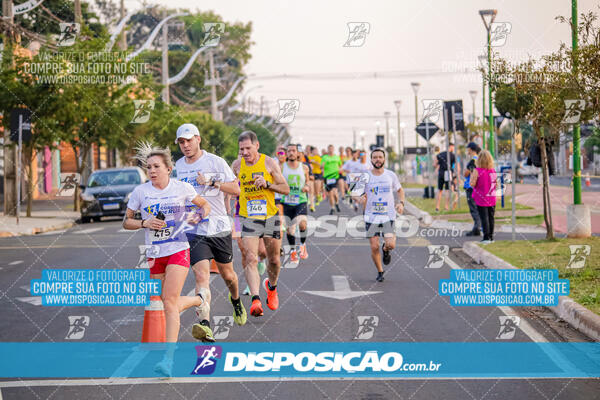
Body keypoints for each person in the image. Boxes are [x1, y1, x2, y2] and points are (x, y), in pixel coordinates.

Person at [123, 143, 210, 375]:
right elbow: (126, 221)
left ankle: (168, 360)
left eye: (156, 166)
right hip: (154, 254)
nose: (152, 170)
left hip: (178, 248)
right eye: (148, 167)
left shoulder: (181, 188)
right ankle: (199, 300)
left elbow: (205, 206)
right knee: (164, 302)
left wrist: (197, 216)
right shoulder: (141, 192)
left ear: (168, 169)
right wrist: (144, 223)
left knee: (169, 302)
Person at [174, 123, 247, 342]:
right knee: (201, 275)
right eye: (181, 142)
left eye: (188, 140)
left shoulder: (215, 161)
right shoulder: (178, 165)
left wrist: (211, 182)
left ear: (198, 139)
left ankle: (235, 299)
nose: (185, 145)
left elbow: (236, 190)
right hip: (194, 229)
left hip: (219, 227)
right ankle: (205, 324)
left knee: (229, 276)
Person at [232, 131, 290, 317]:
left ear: (257, 146)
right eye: (241, 149)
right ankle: (256, 299)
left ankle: (271, 287)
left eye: (248, 148)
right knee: (251, 257)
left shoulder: (268, 163)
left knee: (273, 259)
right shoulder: (236, 165)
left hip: (270, 216)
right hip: (248, 217)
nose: (245, 152)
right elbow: (230, 187)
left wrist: (267, 184)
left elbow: (285, 189)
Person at [355, 149, 404, 282]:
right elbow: (354, 192)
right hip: (371, 216)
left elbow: (400, 190)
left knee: (391, 244)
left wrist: (401, 203)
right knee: (374, 246)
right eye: (375, 157)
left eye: (380, 157)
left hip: (388, 216)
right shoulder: (365, 176)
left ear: (384, 159)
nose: (378, 159)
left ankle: (386, 250)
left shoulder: (390, 175)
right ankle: (380, 271)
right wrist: (358, 198)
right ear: (371, 160)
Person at [281, 144, 310, 261]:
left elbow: (307, 181)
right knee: (290, 228)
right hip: (287, 201)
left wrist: (307, 186)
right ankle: (293, 250)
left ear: (298, 153)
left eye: (293, 151)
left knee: (302, 223)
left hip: (301, 200)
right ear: (287, 154)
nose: (291, 153)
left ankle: (303, 245)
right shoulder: (282, 167)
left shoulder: (304, 168)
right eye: (289, 151)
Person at [470, 150, 497, 244]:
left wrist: (471, 178)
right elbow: (495, 184)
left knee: (484, 217)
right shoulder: (492, 170)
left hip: (481, 198)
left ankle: (486, 238)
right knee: (491, 217)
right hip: (491, 198)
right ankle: (491, 237)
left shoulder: (477, 171)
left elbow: (472, 184)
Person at [463, 142, 482, 236]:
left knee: (473, 208)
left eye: (468, 149)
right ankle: (478, 227)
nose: (467, 151)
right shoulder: (480, 159)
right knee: (478, 207)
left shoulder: (473, 161)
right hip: (478, 186)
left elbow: (466, 173)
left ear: (470, 149)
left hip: (470, 187)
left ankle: (477, 227)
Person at [434, 142, 458, 212]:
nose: (453, 148)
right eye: (453, 147)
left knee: (440, 190)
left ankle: (437, 207)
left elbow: (435, 164)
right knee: (447, 190)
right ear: (450, 147)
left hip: (441, 173)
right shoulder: (452, 155)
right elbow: (456, 165)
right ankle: (446, 207)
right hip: (448, 173)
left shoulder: (440, 154)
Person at [321, 145, 342, 215]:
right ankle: (332, 207)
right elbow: (321, 166)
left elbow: (340, 165)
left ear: (333, 149)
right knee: (330, 194)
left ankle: (337, 203)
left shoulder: (337, 157)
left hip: (335, 176)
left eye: (331, 148)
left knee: (335, 192)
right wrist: (322, 166)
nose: (330, 150)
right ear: (328, 149)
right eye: (329, 148)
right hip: (327, 177)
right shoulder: (324, 157)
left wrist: (340, 171)